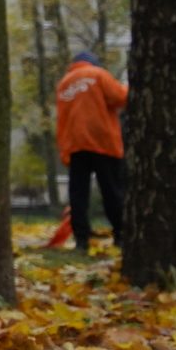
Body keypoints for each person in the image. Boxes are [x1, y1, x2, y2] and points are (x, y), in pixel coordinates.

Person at [52, 50, 128, 255]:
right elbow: (121, 97)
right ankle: (121, 235)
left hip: (75, 144)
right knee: (112, 190)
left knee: (78, 195)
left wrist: (64, 150)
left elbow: (61, 119)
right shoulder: (98, 74)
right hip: (103, 141)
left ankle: (81, 240)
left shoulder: (64, 84)